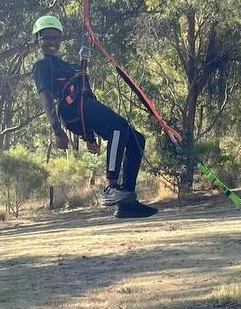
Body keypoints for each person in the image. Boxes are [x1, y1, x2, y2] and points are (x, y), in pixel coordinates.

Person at [32, 15, 158, 219]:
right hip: (71, 109)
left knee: (136, 139)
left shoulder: (66, 64)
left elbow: (84, 90)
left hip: (83, 108)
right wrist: (57, 130)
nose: (52, 42)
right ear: (37, 40)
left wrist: (89, 136)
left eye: (56, 38)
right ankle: (111, 187)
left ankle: (127, 204)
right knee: (119, 128)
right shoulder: (41, 67)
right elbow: (46, 98)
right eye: (46, 38)